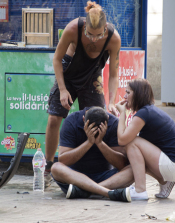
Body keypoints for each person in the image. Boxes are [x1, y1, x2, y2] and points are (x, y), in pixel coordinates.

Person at [44, 1, 121, 187]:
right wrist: (62, 90)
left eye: (98, 35)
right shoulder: (72, 29)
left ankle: (93, 167)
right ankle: (48, 166)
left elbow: (113, 74)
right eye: (90, 34)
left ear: (105, 29)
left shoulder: (113, 38)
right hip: (68, 74)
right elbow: (56, 60)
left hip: (92, 78)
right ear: (85, 26)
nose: (94, 39)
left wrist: (112, 100)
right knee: (54, 119)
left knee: (97, 119)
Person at [116, 79, 175, 200]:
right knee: (133, 153)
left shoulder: (144, 113)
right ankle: (164, 182)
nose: (124, 96)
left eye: (128, 93)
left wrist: (122, 113)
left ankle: (140, 190)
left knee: (131, 142)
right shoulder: (148, 111)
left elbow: (122, 140)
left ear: (138, 94)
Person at [50, 107, 133, 202]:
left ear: (108, 120)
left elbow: (122, 164)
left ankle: (86, 191)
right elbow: (63, 160)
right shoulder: (71, 121)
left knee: (135, 168)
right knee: (56, 168)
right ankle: (106, 192)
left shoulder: (114, 123)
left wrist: (100, 143)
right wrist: (89, 143)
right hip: (75, 178)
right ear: (83, 119)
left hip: (106, 179)